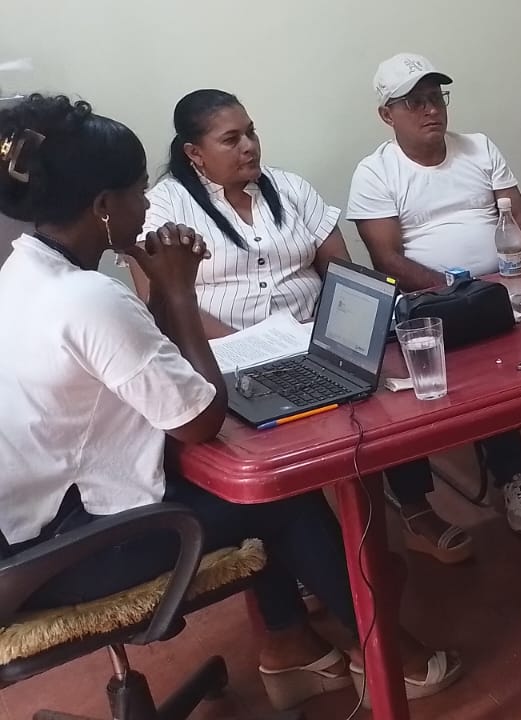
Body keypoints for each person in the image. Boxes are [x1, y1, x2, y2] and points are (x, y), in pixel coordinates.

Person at [0, 95, 461, 709]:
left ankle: (291, 647)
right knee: (278, 496)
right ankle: (391, 655)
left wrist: (163, 293)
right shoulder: (88, 299)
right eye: (138, 192)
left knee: (248, 491)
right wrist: (178, 292)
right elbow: (200, 420)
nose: (148, 205)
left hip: (26, 538)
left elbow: (144, 365)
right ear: (104, 207)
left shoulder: (23, 274)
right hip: (65, 552)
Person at [134, 89, 472, 566]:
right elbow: (165, 302)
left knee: (377, 392)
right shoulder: (162, 210)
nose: (249, 146)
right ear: (194, 152)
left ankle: (414, 509)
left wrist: (343, 331)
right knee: (275, 439)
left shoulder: (290, 188)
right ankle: (309, 549)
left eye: (251, 133)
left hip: (315, 341)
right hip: (229, 358)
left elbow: (340, 271)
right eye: (231, 139)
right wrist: (248, 344)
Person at [347, 53, 521, 533]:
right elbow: (387, 259)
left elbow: (520, 220)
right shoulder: (375, 172)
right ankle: (513, 474)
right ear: (387, 114)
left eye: (436, 97)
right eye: (415, 102)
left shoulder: (479, 148)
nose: (432, 110)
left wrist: (516, 277)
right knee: (485, 375)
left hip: (509, 287)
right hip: (439, 304)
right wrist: (463, 294)